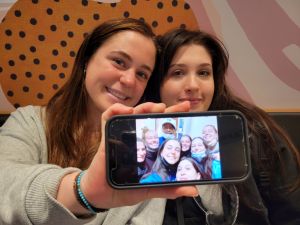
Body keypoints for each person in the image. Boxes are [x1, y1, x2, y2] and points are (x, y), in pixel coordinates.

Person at [0, 18, 198, 224]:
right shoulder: (30, 122)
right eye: (119, 62)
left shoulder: (145, 149)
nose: (129, 80)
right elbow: (5, 185)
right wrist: (81, 192)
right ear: (87, 60)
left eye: (142, 74)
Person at [146, 28, 300, 224]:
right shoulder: (147, 140)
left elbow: (291, 214)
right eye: (177, 73)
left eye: (203, 73)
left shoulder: (253, 131)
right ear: (157, 82)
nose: (193, 85)